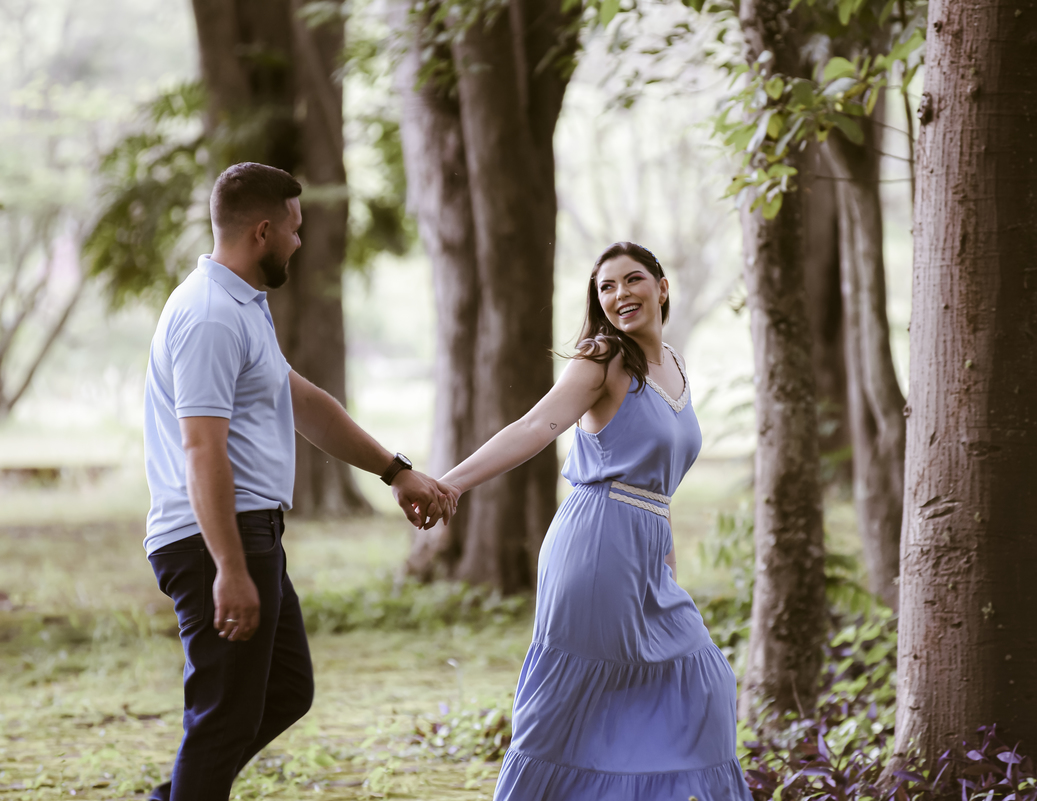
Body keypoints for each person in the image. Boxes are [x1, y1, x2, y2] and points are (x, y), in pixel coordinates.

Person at [142, 162, 454, 801]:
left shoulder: (241, 307)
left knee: (285, 689)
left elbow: (304, 404)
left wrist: (395, 471)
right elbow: (202, 449)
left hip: (248, 533)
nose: (299, 241)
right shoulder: (208, 317)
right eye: (294, 227)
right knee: (222, 720)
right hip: (215, 540)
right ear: (262, 231)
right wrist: (229, 566)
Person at [438, 242, 753, 800]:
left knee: (704, 680)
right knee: (570, 700)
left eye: (632, 280)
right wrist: (452, 483)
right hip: (596, 544)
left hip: (647, 550)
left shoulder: (674, 365)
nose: (619, 295)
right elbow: (536, 426)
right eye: (606, 287)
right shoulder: (605, 358)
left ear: (662, 287)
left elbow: (659, 490)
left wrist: (667, 568)